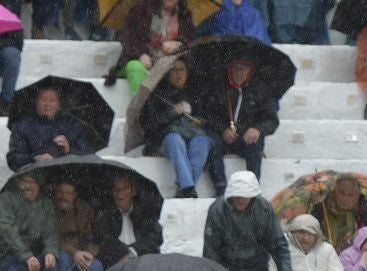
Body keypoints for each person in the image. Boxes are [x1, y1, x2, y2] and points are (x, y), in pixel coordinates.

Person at [197, 58, 279, 190]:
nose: (239, 72)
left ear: (250, 70)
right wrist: (223, 130)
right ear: (229, 69)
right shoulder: (219, 88)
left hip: (245, 138)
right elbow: (207, 116)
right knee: (212, 142)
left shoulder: (259, 90)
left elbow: (272, 120)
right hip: (222, 138)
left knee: (256, 143)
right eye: (235, 67)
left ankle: (252, 187)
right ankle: (220, 187)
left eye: (244, 68)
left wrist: (257, 129)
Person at [0, 170, 69, 271]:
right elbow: (8, 231)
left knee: (53, 268)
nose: (28, 186)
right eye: (25, 182)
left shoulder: (46, 204)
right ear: (18, 183)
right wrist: (26, 256)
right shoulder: (5, 200)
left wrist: (50, 252)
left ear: (39, 185)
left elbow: (50, 232)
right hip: (2, 256)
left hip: (33, 257)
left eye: (32, 182)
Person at [140, 59, 212, 199]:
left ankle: (184, 188)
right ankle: (187, 186)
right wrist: (172, 112)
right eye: (174, 70)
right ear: (167, 73)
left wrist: (197, 119)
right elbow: (151, 125)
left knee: (202, 142)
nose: (178, 74)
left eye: (181, 70)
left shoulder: (195, 93)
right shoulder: (158, 94)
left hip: (193, 136)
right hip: (165, 139)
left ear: (187, 72)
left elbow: (208, 120)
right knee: (175, 139)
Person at [109, 0, 195, 94]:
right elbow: (127, 39)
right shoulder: (141, 10)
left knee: (181, 72)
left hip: (166, 66)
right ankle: (142, 106)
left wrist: (178, 44)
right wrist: (141, 54)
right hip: (136, 61)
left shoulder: (184, 14)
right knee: (137, 69)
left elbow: (189, 39)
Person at [6, 84, 93, 170]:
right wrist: (35, 158)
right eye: (43, 99)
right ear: (36, 102)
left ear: (59, 104)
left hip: (65, 175)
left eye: (52, 100)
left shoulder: (72, 125)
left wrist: (69, 151)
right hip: (34, 174)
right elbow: (13, 159)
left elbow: (89, 156)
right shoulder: (22, 125)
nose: (47, 104)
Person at [94, 174, 162, 271]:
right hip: (116, 263)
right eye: (116, 190)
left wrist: (133, 253)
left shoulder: (145, 213)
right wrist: (124, 255)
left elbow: (156, 237)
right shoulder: (105, 215)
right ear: (112, 192)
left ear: (133, 191)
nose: (120, 194)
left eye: (125, 189)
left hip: (142, 259)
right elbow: (105, 240)